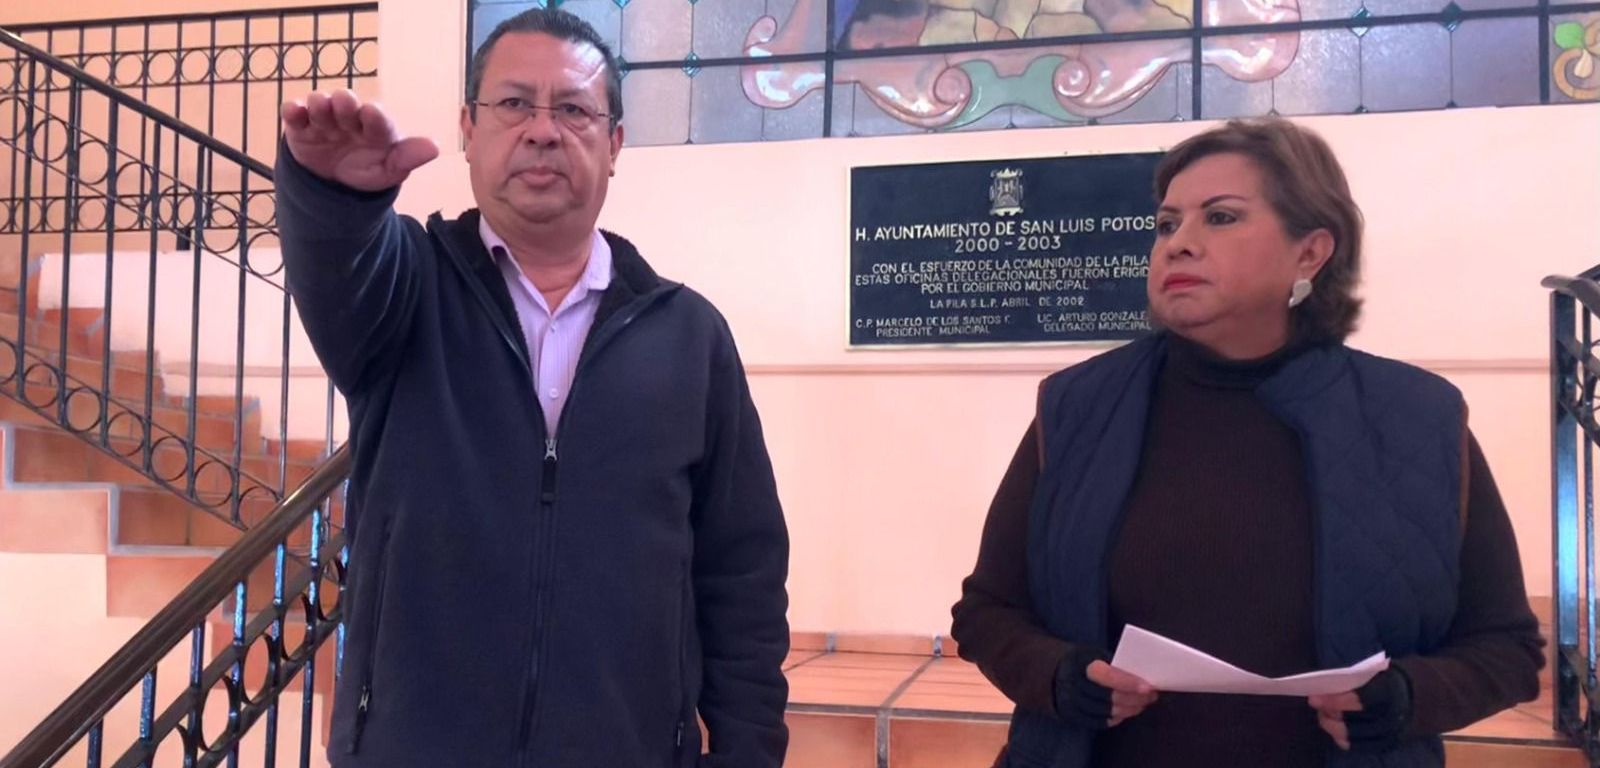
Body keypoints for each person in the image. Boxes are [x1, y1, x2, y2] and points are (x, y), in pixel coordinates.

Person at [274, 8, 790, 767]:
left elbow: (741, 573)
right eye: (514, 103)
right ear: (468, 128)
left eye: (574, 109)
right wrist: (335, 199)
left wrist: (746, 752)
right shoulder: (406, 289)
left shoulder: (689, 338)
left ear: (614, 145)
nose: (543, 131)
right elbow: (337, 268)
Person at [950, 117, 1544, 767]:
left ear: (1310, 252)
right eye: (1167, 224)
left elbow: (1506, 649)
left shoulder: (1419, 417)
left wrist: (1407, 700)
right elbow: (987, 613)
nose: (1179, 244)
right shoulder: (1076, 406)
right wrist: (1059, 678)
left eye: (1221, 217)